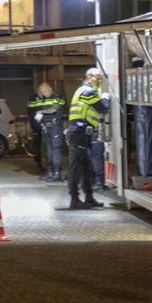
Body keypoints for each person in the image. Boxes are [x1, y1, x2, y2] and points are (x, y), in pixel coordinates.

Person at [66, 68, 109, 208]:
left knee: (87, 168)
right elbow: (103, 108)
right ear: (89, 77)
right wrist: (106, 96)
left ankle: (89, 197)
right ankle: (74, 200)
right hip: (79, 133)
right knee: (76, 168)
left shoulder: (84, 90)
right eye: (97, 77)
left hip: (83, 133)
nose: (99, 80)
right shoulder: (88, 91)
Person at [29, 82, 66, 181]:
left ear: (50, 88)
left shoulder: (57, 97)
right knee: (49, 151)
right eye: (41, 92)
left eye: (44, 91)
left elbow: (54, 109)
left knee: (55, 150)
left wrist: (42, 112)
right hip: (47, 128)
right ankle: (50, 172)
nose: (43, 93)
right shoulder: (45, 99)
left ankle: (57, 173)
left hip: (55, 127)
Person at [25, 90, 45, 175]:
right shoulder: (32, 99)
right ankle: (38, 164)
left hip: (44, 125)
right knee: (37, 146)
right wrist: (33, 125)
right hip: (37, 126)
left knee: (43, 146)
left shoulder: (45, 98)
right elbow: (30, 113)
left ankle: (43, 164)